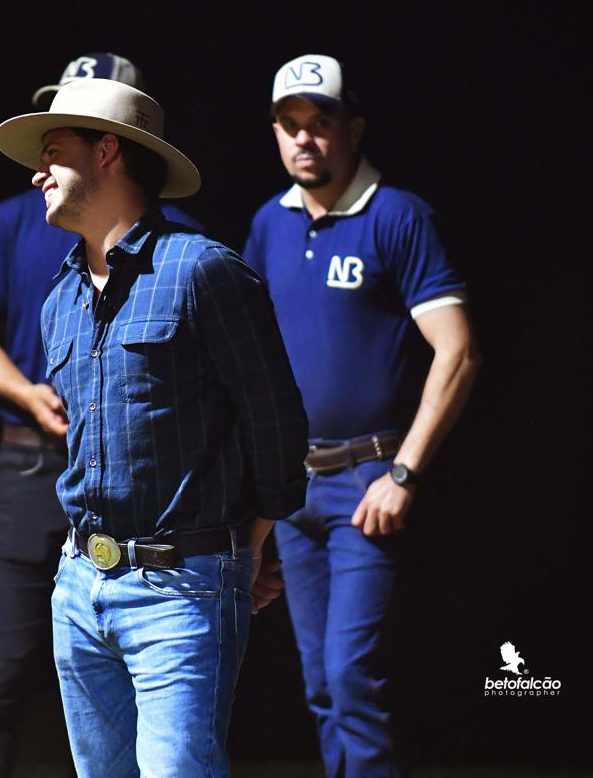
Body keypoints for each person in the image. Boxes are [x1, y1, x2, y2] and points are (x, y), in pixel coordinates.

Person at [0, 77, 309, 777]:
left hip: (182, 588)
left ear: (108, 151)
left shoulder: (203, 271)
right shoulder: (59, 301)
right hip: (79, 587)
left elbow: (276, 420)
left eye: (54, 151)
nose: (38, 173)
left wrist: (247, 548)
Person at [0, 51, 204, 778]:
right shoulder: (19, 218)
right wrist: (24, 392)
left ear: (114, 143)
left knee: (139, 678)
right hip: (29, 462)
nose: (45, 160)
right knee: (0, 670)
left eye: (68, 132)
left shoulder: (187, 250)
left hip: (144, 488)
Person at [243, 54, 480, 777]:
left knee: (352, 674)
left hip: (367, 481)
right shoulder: (269, 223)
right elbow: (251, 360)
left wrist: (403, 472)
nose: (303, 138)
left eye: (320, 122)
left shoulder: (397, 215)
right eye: (289, 124)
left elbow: (459, 352)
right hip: (293, 486)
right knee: (319, 682)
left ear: (353, 128)